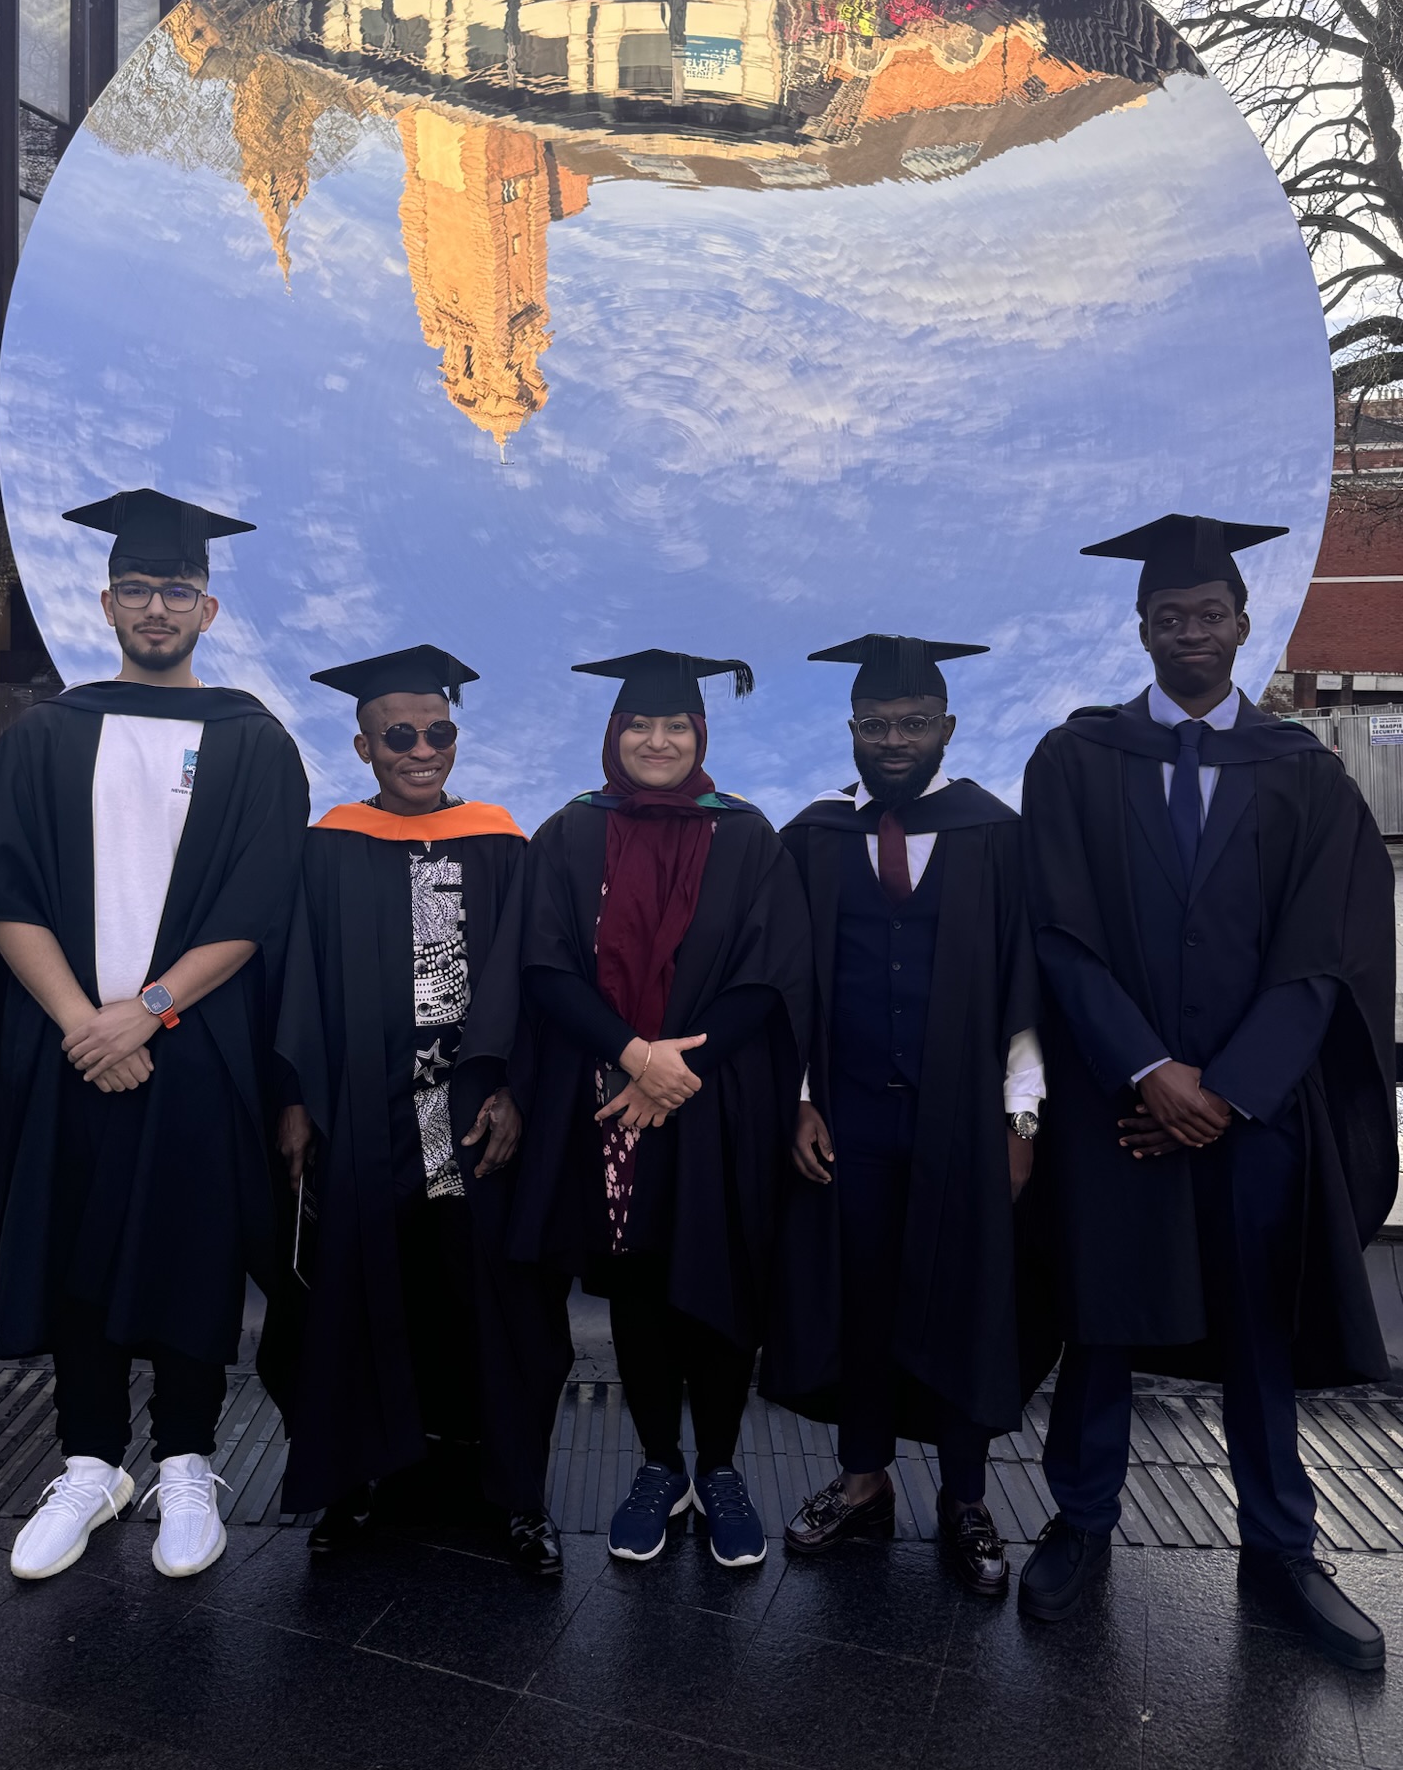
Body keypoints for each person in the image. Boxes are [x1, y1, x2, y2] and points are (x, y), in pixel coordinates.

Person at [1020, 513, 1397, 1669]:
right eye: (1169, 616)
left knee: (1257, 1330)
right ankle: (1081, 1524)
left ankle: (1281, 1545)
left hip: (1254, 1115)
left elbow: (1325, 955)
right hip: (1118, 1105)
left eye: (1210, 614)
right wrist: (1151, 1068)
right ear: (1141, 630)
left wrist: (1226, 1090)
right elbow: (1059, 934)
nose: (1191, 632)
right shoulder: (1077, 762)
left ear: (1243, 624)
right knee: (1103, 1319)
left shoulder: (1304, 774)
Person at [0, 488, 308, 1582]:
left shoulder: (252, 740)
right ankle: (92, 1461)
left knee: (192, 1244)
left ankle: (186, 1458)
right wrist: (80, 1024)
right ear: (106, 601)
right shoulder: (47, 735)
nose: (159, 605)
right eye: (140, 587)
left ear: (207, 605)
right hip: (66, 1044)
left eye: (178, 589)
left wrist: (143, 1012)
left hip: (191, 1045)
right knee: (72, 1248)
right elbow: (5, 891)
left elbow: (257, 902)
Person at [269, 645, 571, 1574]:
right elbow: (298, 985)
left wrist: (516, 1087)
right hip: (365, 1110)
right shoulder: (329, 845)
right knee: (362, 1288)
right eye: (397, 735)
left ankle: (514, 1493)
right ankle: (359, 1480)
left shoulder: (501, 843)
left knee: (497, 1299)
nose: (420, 749)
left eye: (437, 732)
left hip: (475, 1111)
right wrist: (295, 1099)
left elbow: (532, 984)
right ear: (363, 747)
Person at [508, 649, 811, 1568]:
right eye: (640, 725)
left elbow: (771, 970)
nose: (657, 739)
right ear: (613, 734)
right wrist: (632, 1056)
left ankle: (718, 1469)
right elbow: (546, 962)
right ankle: (656, 1464)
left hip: (716, 1101)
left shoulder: (749, 834)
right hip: (609, 1101)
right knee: (636, 1285)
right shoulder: (569, 832)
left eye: (675, 725)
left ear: (701, 734)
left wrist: (678, 1066)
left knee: (719, 1280)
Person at [764, 635, 1044, 1596]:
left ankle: (965, 1499)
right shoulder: (813, 838)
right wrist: (799, 1102)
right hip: (846, 1116)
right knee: (862, 1296)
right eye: (876, 724)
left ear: (947, 730)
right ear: (850, 730)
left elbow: (1023, 994)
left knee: (967, 1296)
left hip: (963, 1117)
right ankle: (863, 1480)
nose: (894, 740)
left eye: (913, 724)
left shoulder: (993, 836)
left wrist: (1021, 1125)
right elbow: (789, 989)